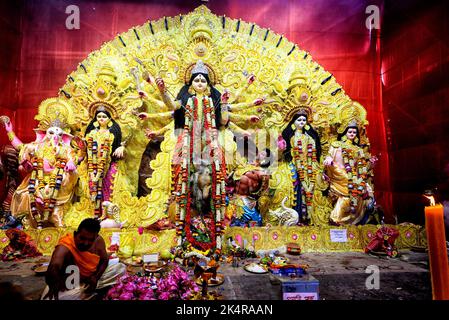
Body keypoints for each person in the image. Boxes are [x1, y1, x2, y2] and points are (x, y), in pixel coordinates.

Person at [41, 218, 125, 300]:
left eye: (90, 240)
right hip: (70, 280)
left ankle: (89, 290)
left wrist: (95, 277)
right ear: (76, 234)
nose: (86, 243)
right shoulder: (65, 245)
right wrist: (53, 285)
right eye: (82, 238)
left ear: (96, 237)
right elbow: (54, 264)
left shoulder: (98, 240)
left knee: (121, 268)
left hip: (91, 277)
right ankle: (88, 292)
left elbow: (104, 260)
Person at [323, 121, 376, 225]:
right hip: (337, 172)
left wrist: (372, 163)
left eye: (354, 132)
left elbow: (362, 168)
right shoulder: (336, 145)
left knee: (360, 187)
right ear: (345, 132)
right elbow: (330, 156)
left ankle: (349, 219)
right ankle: (337, 218)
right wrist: (328, 159)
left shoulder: (358, 149)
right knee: (352, 184)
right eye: (350, 131)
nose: (352, 134)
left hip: (353, 175)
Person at [279, 110, 321, 224]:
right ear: (294, 122)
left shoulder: (309, 136)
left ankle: (310, 216)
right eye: (299, 120)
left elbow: (314, 151)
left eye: (304, 120)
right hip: (294, 162)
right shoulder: (290, 135)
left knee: (317, 181)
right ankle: (296, 214)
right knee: (294, 184)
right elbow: (284, 151)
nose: (302, 122)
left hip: (309, 165)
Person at [85, 107, 125, 217]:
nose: (101, 119)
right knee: (93, 189)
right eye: (99, 116)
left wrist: (121, 147)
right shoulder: (91, 133)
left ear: (109, 119)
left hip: (109, 165)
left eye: (104, 116)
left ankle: (108, 214)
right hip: (92, 167)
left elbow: (119, 145)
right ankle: (95, 214)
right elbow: (86, 150)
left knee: (108, 187)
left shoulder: (112, 133)